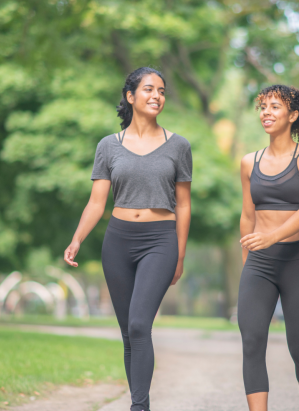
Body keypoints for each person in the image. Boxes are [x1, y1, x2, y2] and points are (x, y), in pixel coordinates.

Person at [63, 67, 192, 411]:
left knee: (139, 324)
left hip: (160, 240)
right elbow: (96, 201)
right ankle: (142, 403)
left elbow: (183, 204)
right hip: (118, 240)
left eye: (162, 91)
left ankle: (138, 407)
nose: (157, 96)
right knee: (129, 333)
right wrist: (77, 239)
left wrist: (179, 254)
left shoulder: (179, 146)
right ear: (130, 96)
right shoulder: (108, 146)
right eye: (149, 89)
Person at [238, 84, 299, 411]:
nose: (266, 113)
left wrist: (272, 236)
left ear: (293, 115)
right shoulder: (249, 162)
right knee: (252, 342)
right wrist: (248, 261)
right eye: (263, 107)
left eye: (275, 107)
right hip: (259, 264)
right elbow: (247, 216)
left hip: (298, 261)